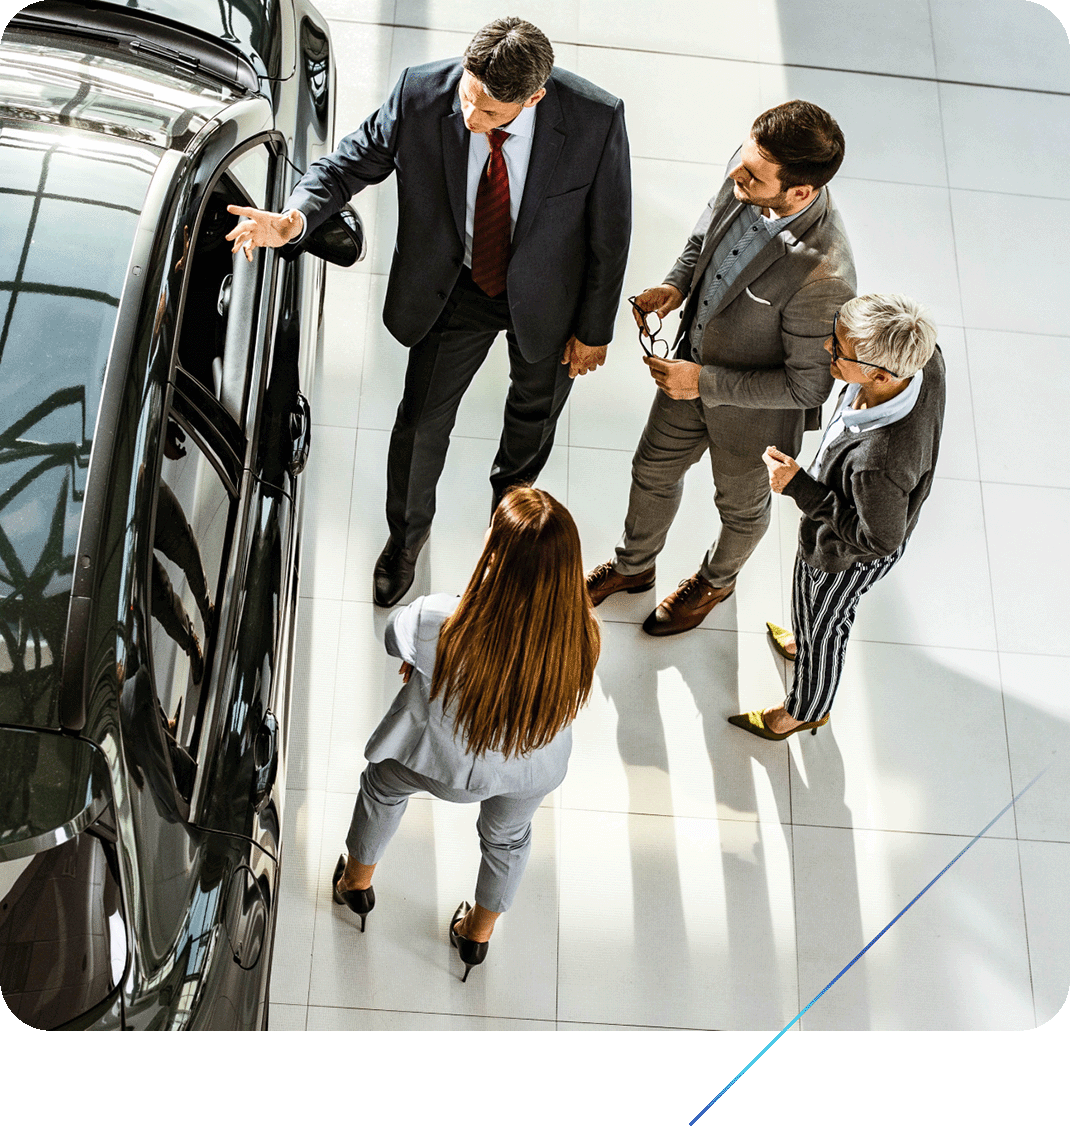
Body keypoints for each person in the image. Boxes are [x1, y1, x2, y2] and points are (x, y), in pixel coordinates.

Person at [225, 18, 631, 607]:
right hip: (455, 288)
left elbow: (610, 231)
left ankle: (507, 532)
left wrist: (595, 331)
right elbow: (346, 164)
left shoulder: (596, 118)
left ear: (535, 97)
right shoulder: (421, 92)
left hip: (548, 302)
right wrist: (294, 220)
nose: (471, 119)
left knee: (530, 425)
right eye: (469, 99)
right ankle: (406, 539)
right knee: (419, 427)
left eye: (491, 114)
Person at [586, 100, 855, 636]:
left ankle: (716, 581)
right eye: (743, 157)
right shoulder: (748, 173)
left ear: (799, 193)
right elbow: (702, 239)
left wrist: (703, 382)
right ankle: (634, 567)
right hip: (688, 376)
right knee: (651, 472)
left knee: (740, 510)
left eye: (753, 174)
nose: (737, 172)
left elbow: (808, 386)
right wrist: (675, 285)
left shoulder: (823, 275)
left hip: (752, 419)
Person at [330, 487, 600, 981]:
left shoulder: (441, 620)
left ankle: (356, 883)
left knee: (382, 789)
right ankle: (476, 935)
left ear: (493, 551)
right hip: (529, 769)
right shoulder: (582, 634)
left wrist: (420, 660)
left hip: (438, 760)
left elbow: (392, 636)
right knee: (508, 840)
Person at [729, 294, 944, 739]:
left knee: (826, 627)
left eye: (838, 348)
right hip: (863, 520)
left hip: (843, 557)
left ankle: (808, 708)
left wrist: (799, 487)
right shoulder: (926, 361)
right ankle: (804, 638)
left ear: (880, 375)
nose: (828, 348)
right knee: (812, 618)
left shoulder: (878, 463)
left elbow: (879, 539)